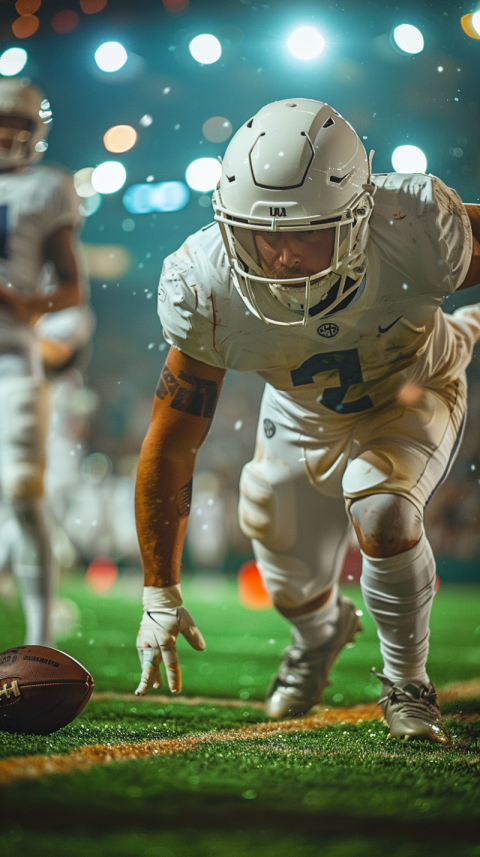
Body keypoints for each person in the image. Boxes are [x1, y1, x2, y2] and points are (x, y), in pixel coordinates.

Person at [134, 99, 480, 743]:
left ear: (360, 212)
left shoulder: (413, 224)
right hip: (299, 413)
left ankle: (408, 684)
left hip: (413, 388)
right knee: (287, 577)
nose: (285, 256)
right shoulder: (205, 283)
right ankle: (319, 637)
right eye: (266, 234)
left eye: (307, 231)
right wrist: (160, 592)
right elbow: (172, 442)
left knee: (383, 510)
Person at [0, 77, 83, 646]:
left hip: (10, 355)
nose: (9, 134)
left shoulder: (47, 186)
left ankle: (40, 643)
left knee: (23, 492)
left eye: (20, 124)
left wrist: (31, 304)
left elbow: (72, 288)